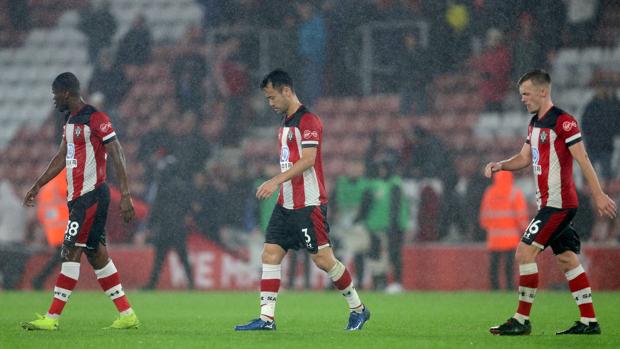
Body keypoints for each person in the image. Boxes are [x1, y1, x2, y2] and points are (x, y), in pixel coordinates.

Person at [235, 69, 370, 331]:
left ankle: (359, 309)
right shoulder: (287, 122)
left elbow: (308, 161)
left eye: (273, 97)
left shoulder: (308, 120)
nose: (270, 104)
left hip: (308, 204)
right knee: (271, 253)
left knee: (323, 259)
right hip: (285, 204)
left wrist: (276, 180)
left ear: (287, 91)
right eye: (267, 99)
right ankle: (266, 319)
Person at [485, 70, 617, 336]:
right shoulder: (535, 123)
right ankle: (589, 322)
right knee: (568, 260)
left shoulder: (564, 122)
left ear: (543, 91)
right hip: (549, 203)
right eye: (521, 94)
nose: (522, 99)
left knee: (524, 252)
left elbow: (583, 159)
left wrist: (599, 194)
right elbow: (523, 158)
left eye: (526, 93)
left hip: (559, 205)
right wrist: (500, 165)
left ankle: (521, 320)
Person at [21, 72, 139, 331]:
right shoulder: (70, 121)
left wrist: (126, 195)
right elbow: (62, 156)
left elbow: (116, 151)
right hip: (78, 199)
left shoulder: (96, 118)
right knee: (97, 256)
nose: (54, 101)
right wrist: (38, 184)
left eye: (55, 95)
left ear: (66, 93)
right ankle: (127, 314)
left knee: (69, 250)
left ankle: (52, 318)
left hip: (92, 195)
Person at [479, 171, 528, 290]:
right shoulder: (515, 193)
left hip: (494, 238)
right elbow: (521, 216)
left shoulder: (490, 192)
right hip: (511, 238)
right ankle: (509, 288)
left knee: (494, 266)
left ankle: (494, 288)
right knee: (509, 266)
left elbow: (484, 217)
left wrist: (491, 227)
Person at [31, 169, 69, 290]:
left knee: (63, 255)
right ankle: (39, 279)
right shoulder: (63, 176)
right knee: (64, 255)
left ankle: (40, 280)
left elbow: (41, 209)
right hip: (63, 224)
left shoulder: (47, 182)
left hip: (53, 225)